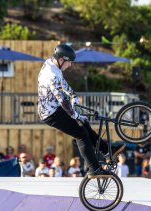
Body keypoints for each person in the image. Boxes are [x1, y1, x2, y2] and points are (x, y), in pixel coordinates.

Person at [37, 44, 124, 178]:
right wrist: (75, 114)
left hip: (54, 107)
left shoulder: (51, 64)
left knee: (84, 124)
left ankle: (107, 151)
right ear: (61, 60)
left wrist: (73, 95)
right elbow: (62, 101)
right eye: (69, 62)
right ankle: (94, 169)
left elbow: (63, 83)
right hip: (51, 114)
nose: (70, 65)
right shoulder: (51, 75)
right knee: (81, 134)